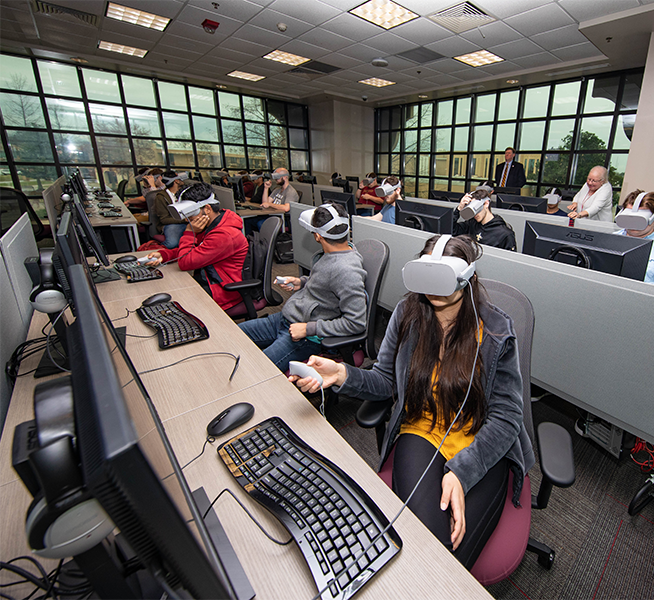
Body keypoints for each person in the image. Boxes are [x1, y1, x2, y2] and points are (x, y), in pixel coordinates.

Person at [291, 235, 534, 568]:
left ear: (466, 278)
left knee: (453, 557)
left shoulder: (494, 330)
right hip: (421, 429)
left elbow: (507, 417)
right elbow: (385, 382)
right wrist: (343, 374)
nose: (431, 288)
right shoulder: (408, 314)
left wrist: (462, 472)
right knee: (428, 546)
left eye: (441, 278)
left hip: (481, 441)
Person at [238, 203, 367, 372]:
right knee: (233, 334)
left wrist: (308, 329)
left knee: (255, 370)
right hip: (285, 319)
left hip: (305, 337)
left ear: (317, 236)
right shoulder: (337, 251)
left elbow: (356, 323)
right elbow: (327, 283)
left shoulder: (346, 270)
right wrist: (303, 282)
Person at [144, 183, 250, 315]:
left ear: (207, 209)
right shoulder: (213, 225)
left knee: (172, 304)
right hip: (210, 280)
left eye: (191, 213)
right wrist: (165, 255)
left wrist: (189, 232)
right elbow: (195, 251)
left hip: (224, 291)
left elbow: (185, 262)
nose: (189, 219)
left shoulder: (224, 234)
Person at [452, 187, 517, 251]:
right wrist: (459, 209)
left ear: (486, 204)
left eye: (476, 209)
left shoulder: (505, 234)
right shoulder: (471, 224)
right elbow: (452, 230)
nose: (475, 214)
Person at [153, 171, 188, 248]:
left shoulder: (185, 192)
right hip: (171, 224)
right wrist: (184, 220)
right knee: (172, 243)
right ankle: (158, 254)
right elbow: (164, 220)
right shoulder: (161, 197)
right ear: (176, 181)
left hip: (188, 221)